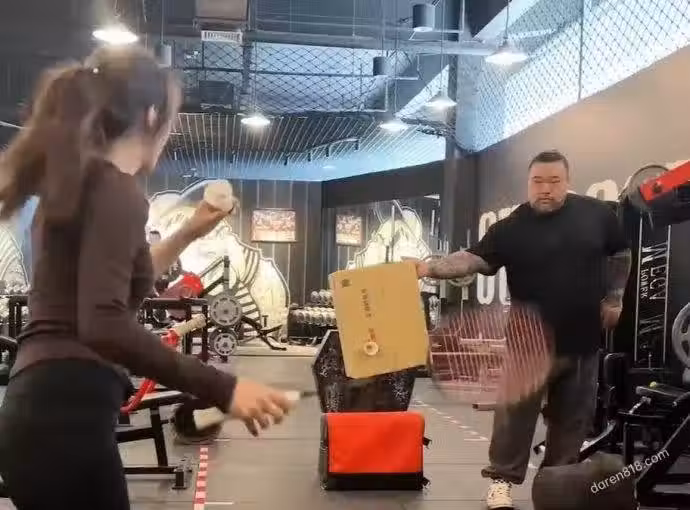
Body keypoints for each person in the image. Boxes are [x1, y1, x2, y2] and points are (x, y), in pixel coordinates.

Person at [0, 45, 292, 509]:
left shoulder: (77, 186)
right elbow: (103, 323)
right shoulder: (115, 190)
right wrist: (223, 387)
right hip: (66, 419)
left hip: (41, 414)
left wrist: (190, 232)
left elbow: (115, 283)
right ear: (152, 115)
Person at [409, 150, 631, 509]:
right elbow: (472, 258)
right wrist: (429, 268)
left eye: (554, 181)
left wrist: (615, 297)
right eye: (537, 181)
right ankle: (501, 483)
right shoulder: (511, 228)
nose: (546, 189)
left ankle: (557, 487)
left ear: (568, 181)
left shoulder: (597, 215)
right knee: (513, 418)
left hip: (582, 340)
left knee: (572, 422)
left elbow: (620, 252)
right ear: (528, 183)